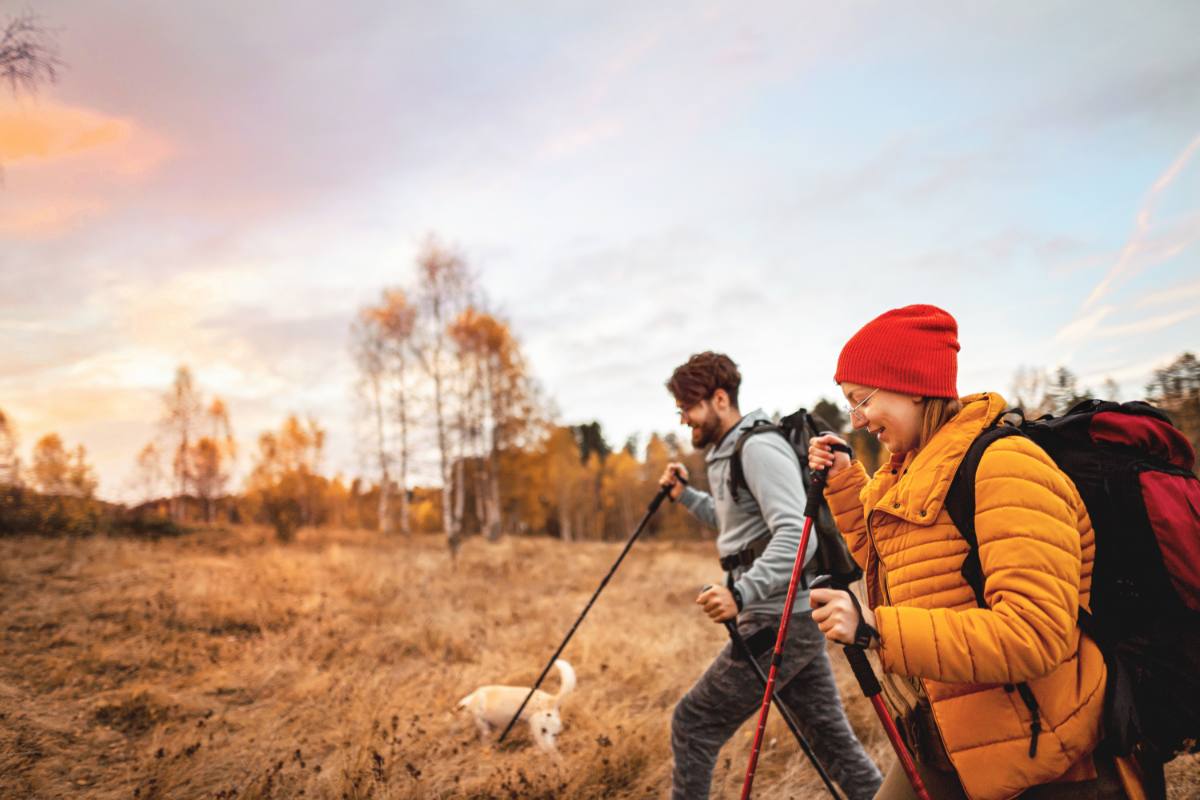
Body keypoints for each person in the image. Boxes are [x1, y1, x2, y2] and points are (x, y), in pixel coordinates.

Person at [806, 305, 1137, 800]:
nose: (856, 420)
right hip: (948, 732)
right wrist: (844, 483)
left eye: (862, 400)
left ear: (912, 383)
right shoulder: (913, 468)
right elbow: (899, 559)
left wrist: (877, 627)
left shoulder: (1005, 465)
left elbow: (1034, 634)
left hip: (1042, 756)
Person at [659, 351, 883, 800]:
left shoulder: (758, 447)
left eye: (687, 408)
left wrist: (740, 594)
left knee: (692, 724)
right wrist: (686, 496)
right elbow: (739, 529)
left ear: (719, 399)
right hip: (786, 619)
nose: (683, 420)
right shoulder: (727, 453)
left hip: (778, 620)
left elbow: (798, 538)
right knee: (835, 747)